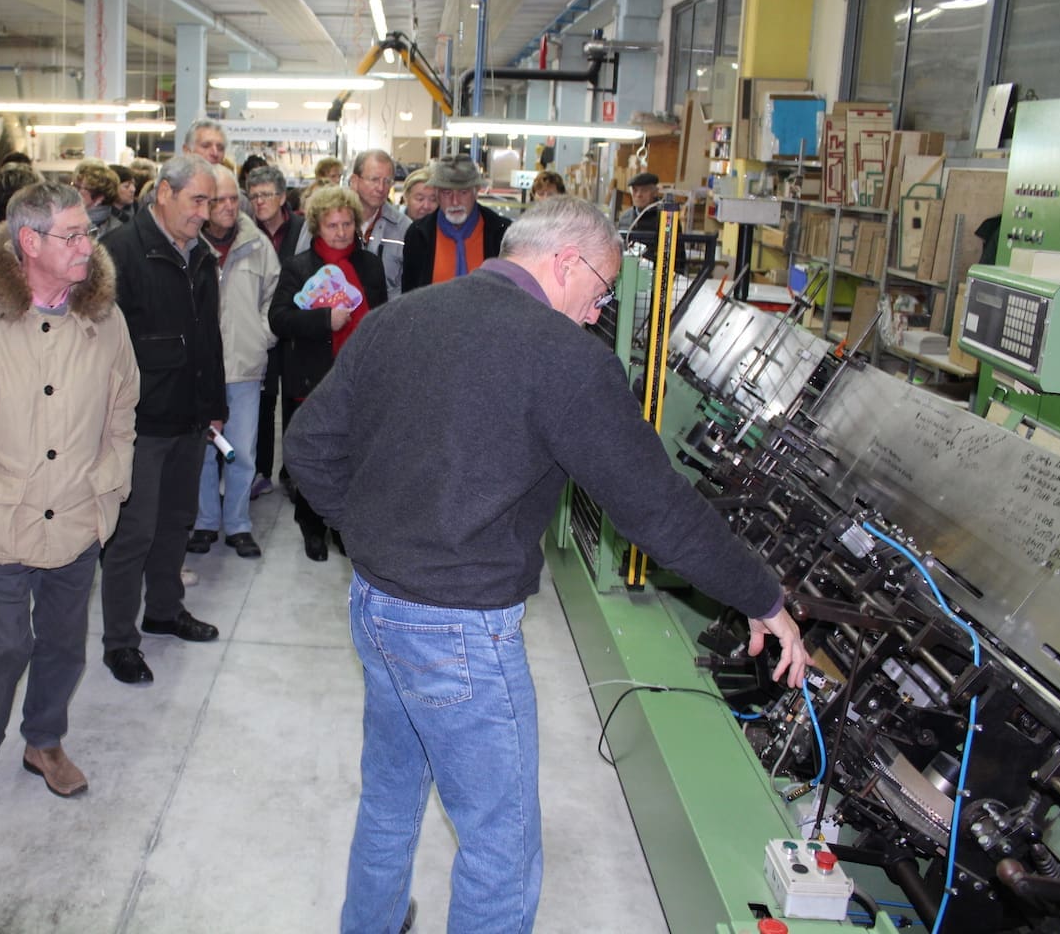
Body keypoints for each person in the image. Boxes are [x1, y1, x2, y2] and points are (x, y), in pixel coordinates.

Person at [283, 196, 810, 933]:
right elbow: (655, 509)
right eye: (600, 292)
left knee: (390, 798)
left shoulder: (400, 318)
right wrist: (762, 596)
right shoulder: (567, 359)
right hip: (460, 630)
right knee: (499, 849)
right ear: (566, 261)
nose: (597, 313)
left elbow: (306, 445)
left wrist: (375, 536)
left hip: (376, 606)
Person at [0, 181, 139, 809]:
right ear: (29, 242)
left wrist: (110, 487)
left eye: (88, 232)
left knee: (65, 644)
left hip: (78, 511)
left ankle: (43, 741)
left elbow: (123, 409)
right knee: (6, 643)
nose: (87, 246)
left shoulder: (105, 320)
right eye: (72, 235)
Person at [98, 153, 226, 685]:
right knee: (132, 534)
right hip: (139, 423)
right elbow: (100, 344)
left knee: (176, 522)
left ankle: (165, 611)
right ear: (164, 193)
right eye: (197, 200)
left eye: (210, 202)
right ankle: (119, 642)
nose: (205, 213)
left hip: (189, 417)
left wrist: (214, 406)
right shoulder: (118, 253)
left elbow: (209, 337)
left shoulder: (201, 255)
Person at [270, 185, 387, 562]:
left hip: (359, 377)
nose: (341, 232)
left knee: (352, 456)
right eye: (332, 225)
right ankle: (311, 526)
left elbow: (382, 317)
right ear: (317, 227)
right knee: (313, 457)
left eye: (347, 223)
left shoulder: (370, 265)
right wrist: (324, 320)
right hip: (312, 378)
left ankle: (343, 526)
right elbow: (278, 319)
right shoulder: (299, 267)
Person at [188, 164, 278, 561]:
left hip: (244, 366)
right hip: (199, 368)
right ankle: (205, 521)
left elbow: (274, 296)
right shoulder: (189, 243)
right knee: (203, 450)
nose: (227, 206)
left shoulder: (258, 244)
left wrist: (261, 337)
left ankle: (239, 524)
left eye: (232, 199)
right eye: (218, 200)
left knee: (241, 449)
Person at [244, 165, 307, 501]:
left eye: (266, 195)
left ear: (282, 197)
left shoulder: (303, 229)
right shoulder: (246, 231)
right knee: (263, 400)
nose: (259, 201)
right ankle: (261, 471)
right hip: (259, 326)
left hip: (295, 324)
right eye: (254, 196)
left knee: (296, 399)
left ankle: (294, 472)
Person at [401, 154, 510, 292]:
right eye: (447, 193)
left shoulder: (501, 234)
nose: (455, 201)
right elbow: (410, 295)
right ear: (437, 193)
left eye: (463, 192)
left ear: (476, 192)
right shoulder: (418, 234)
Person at [349, 149, 410, 297]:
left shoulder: (404, 228)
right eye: (374, 179)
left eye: (387, 181)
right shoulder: (328, 221)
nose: (381, 188)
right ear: (355, 181)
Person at [73, 159, 125, 242]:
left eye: (78, 187)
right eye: (73, 185)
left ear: (99, 198)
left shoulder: (116, 232)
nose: (73, 191)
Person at [618, 171, 663, 261]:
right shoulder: (624, 218)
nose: (638, 195)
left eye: (644, 190)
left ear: (655, 192)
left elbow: (678, 256)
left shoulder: (665, 219)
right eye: (635, 190)